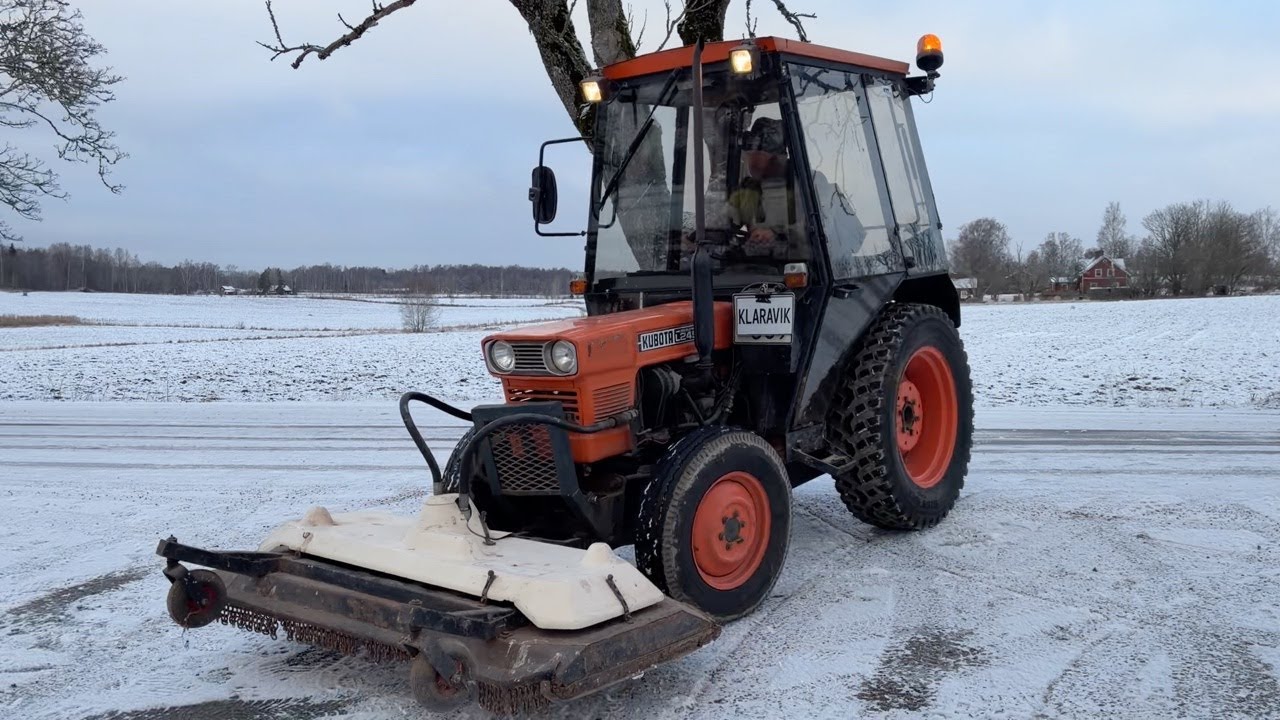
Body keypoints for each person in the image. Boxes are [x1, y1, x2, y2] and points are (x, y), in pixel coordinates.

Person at [725, 116, 806, 265]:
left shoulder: (809, 185)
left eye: (758, 156)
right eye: (749, 155)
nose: (751, 162)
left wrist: (777, 235)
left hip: (803, 274)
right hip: (756, 275)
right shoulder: (748, 189)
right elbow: (723, 223)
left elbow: (831, 235)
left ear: (777, 157)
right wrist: (696, 237)